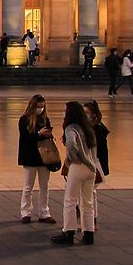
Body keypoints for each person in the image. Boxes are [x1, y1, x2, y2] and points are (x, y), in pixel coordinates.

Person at [52, 101, 99, 245]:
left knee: (70, 200)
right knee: (87, 202)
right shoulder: (87, 128)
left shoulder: (71, 128)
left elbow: (71, 144)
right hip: (91, 168)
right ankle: (88, 233)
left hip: (78, 166)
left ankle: (69, 232)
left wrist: (73, 159)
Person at [18, 94, 57, 225]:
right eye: (38, 106)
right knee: (28, 186)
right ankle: (26, 212)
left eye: (42, 106)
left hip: (44, 157)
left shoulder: (45, 120)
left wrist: (48, 135)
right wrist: (39, 135)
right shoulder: (24, 120)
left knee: (44, 186)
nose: (40, 109)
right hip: (30, 156)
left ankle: (44, 212)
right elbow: (25, 138)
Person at [84, 100, 108, 226]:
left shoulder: (98, 129)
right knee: (87, 193)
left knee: (91, 192)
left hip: (95, 162)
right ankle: (88, 219)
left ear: (93, 114)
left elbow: (101, 151)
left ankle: (91, 219)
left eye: (87, 113)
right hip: (87, 162)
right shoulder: (84, 127)